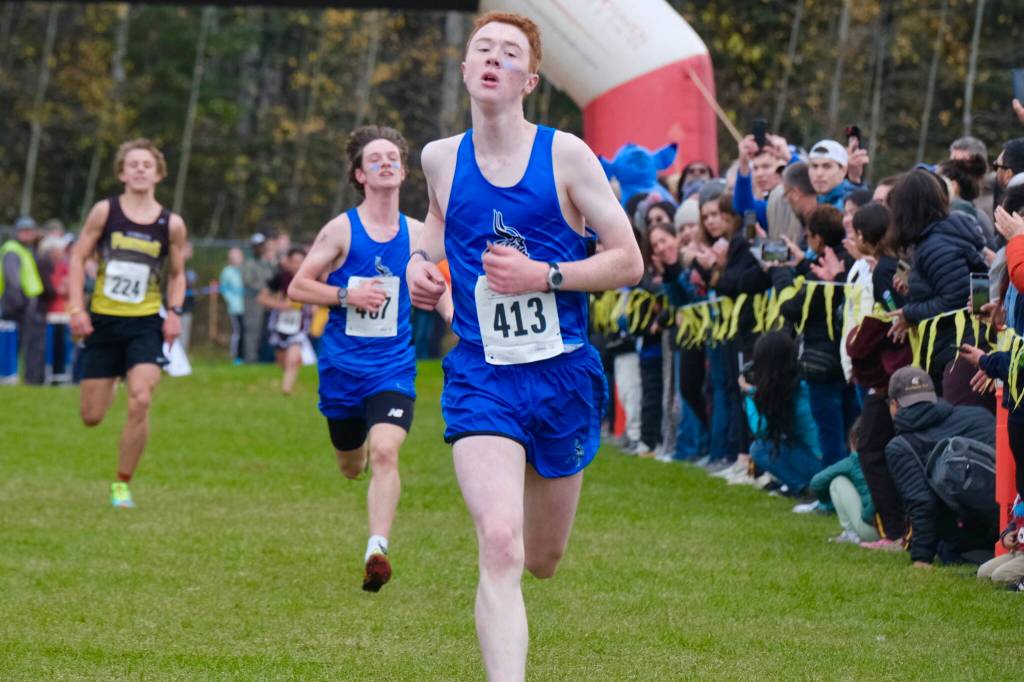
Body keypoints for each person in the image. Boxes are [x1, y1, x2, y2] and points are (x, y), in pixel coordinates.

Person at [406, 12, 643, 680]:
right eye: (482, 49)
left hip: (562, 375)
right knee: (501, 542)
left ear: (529, 81)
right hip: (481, 376)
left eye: (509, 53)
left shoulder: (566, 155)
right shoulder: (439, 158)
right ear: (464, 69)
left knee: (541, 559)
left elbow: (629, 261)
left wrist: (545, 276)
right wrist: (421, 266)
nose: (493, 59)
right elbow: (435, 224)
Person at [288, 125, 452, 593]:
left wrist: (453, 315)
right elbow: (298, 286)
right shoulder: (342, 230)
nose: (385, 163)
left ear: (403, 172)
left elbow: (440, 284)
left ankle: (376, 549)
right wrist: (347, 294)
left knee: (385, 451)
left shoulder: (418, 234)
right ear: (360, 175)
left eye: (392, 158)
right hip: (342, 371)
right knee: (352, 464)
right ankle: (352, 454)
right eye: (374, 158)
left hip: (391, 369)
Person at [67, 138, 187, 508]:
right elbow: (77, 258)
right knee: (91, 416)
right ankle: (117, 376)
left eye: (146, 164)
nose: (139, 169)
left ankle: (122, 484)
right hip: (104, 321)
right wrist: (76, 309)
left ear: (158, 174)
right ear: (121, 173)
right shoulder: (105, 212)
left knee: (141, 399)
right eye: (132, 164)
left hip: (146, 322)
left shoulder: (171, 224)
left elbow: (177, 274)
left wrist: (174, 312)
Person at [884, 367, 997, 567]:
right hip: (1012, 521)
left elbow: (922, 503)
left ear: (894, 404)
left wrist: (921, 557)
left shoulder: (900, 447)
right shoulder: (979, 415)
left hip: (973, 534)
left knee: (946, 550)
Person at [0, 216, 46, 384]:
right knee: (13, 343)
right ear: (16, 232)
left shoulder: (25, 250)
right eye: (24, 231)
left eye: (30, 231)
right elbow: (12, 278)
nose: (28, 234)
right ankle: (9, 375)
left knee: (21, 343)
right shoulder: (12, 250)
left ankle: (15, 376)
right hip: (17, 305)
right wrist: (21, 301)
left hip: (25, 303)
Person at [259, 247, 310, 395]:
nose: (297, 265)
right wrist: (281, 305)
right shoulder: (280, 278)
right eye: (294, 262)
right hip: (280, 325)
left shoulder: (310, 278)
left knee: (292, 358)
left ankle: (286, 390)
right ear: (288, 262)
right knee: (282, 359)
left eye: (300, 262)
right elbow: (262, 298)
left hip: (300, 326)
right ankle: (288, 374)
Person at [807, 139, 868, 210]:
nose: (819, 173)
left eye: (827, 166)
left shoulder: (847, 207)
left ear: (843, 170)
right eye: (814, 166)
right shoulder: (816, 201)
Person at [242, 232, 274, 363]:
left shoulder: (266, 263)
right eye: (257, 246)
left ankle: (263, 357)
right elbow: (249, 281)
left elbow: (272, 279)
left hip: (267, 300)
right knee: (252, 329)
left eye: (261, 246)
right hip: (253, 300)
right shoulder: (249, 263)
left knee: (265, 329)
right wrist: (264, 289)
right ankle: (250, 358)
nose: (260, 248)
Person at [219, 247, 245, 363]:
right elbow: (224, 289)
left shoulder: (245, 270)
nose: (235, 259)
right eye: (233, 257)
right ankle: (236, 356)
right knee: (238, 331)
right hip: (235, 308)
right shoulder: (227, 272)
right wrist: (231, 301)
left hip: (247, 306)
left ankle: (245, 354)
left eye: (237, 256)